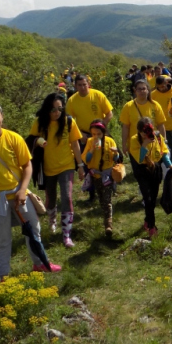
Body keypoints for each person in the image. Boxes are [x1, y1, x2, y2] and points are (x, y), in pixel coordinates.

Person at [0, 103, 60, 280]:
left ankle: (39, 264)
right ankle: (4, 277)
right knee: (3, 240)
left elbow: (26, 165)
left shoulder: (13, 138)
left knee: (33, 230)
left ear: (2, 117)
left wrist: (23, 190)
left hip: (19, 195)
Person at [29, 93, 84, 248]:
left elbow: (75, 145)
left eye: (60, 108)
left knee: (67, 197)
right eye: (53, 109)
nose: (57, 112)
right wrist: (38, 141)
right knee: (50, 198)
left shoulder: (68, 122)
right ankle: (52, 221)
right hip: (47, 167)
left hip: (67, 166)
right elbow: (29, 140)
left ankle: (66, 234)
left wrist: (80, 166)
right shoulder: (40, 123)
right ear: (47, 109)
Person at [66, 74, 114, 202]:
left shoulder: (97, 95)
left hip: (100, 133)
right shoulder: (72, 101)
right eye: (79, 85)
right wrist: (80, 136)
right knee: (89, 164)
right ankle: (91, 192)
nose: (82, 87)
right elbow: (69, 121)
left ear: (88, 84)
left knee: (107, 158)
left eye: (84, 84)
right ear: (75, 86)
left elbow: (109, 113)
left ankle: (110, 186)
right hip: (84, 136)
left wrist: (100, 129)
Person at [129, 117, 172, 238]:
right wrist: (144, 144)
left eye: (149, 131)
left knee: (153, 200)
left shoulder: (158, 137)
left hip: (155, 169)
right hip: (142, 171)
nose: (147, 134)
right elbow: (139, 159)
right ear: (138, 131)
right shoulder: (134, 140)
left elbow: (163, 152)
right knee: (147, 199)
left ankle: (147, 220)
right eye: (144, 132)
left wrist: (169, 165)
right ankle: (152, 227)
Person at [81, 119, 120, 237]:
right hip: (96, 175)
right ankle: (106, 216)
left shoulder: (110, 141)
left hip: (107, 175)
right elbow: (86, 160)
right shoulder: (89, 142)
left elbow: (115, 159)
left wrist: (116, 153)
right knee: (101, 198)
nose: (96, 136)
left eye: (98, 134)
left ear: (103, 133)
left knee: (107, 200)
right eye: (93, 134)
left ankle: (108, 224)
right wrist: (92, 150)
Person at [120, 79, 166, 160]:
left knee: (153, 170)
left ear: (148, 90)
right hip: (135, 145)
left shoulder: (155, 105)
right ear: (135, 91)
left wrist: (163, 142)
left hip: (152, 144)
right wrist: (124, 144)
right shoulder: (128, 106)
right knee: (139, 171)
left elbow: (161, 125)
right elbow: (125, 127)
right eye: (139, 89)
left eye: (144, 88)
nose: (141, 91)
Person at [151, 75, 172, 164]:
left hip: (171, 125)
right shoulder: (153, 95)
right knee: (158, 146)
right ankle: (162, 164)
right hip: (158, 126)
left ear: (166, 83)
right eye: (158, 87)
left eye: (162, 86)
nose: (161, 89)